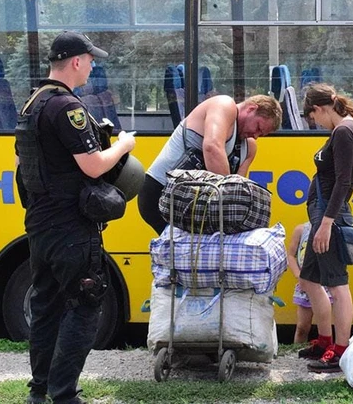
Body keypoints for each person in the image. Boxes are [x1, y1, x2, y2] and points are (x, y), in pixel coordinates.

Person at [15, 31, 136, 404]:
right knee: (86, 305)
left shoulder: (32, 104)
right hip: (72, 226)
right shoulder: (67, 107)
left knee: (46, 307)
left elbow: (22, 164)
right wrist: (123, 145)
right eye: (91, 59)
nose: (93, 65)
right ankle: (64, 394)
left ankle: (39, 391)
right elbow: (93, 165)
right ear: (76, 61)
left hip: (40, 224)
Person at [137, 94, 282, 234]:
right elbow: (212, 147)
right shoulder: (224, 105)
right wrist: (228, 200)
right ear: (251, 108)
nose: (255, 136)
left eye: (261, 135)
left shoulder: (249, 148)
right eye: (257, 127)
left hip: (190, 201)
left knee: (202, 254)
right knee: (186, 252)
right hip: (161, 192)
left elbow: (239, 188)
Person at [296, 83, 353, 373]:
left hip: (329, 218)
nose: (315, 123)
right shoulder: (344, 130)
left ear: (320, 108)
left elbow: (344, 182)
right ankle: (325, 340)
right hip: (321, 217)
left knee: (337, 282)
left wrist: (326, 223)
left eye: (313, 118)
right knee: (309, 277)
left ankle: (341, 349)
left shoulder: (344, 132)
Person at [285, 222, 335, 343]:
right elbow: (291, 255)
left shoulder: (334, 229)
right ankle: (297, 352)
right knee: (302, 327)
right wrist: (299, 276)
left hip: (327, 285)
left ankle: (326, 350)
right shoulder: (301, 230)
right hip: (305, 284)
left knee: (325, 327)